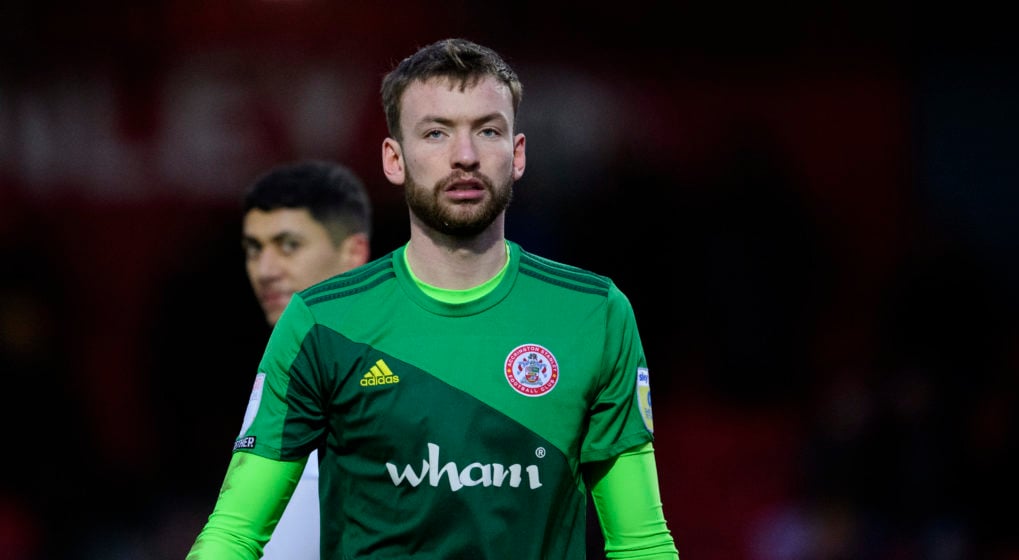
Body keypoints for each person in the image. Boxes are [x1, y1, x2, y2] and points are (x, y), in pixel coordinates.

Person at [187, 38, 678, 559]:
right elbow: (235, 533)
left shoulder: (594, 314)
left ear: (517, 155)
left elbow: (641, 542)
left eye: (487, 130)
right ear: (394, 159)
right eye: (436, 133)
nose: (464, 156)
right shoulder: (321, 323)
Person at [238, 159, 373, 559]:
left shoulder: (404, 381)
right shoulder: (282, 377)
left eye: (289, 245)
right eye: (253, 249)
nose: (265, 270)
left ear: (354, 253)